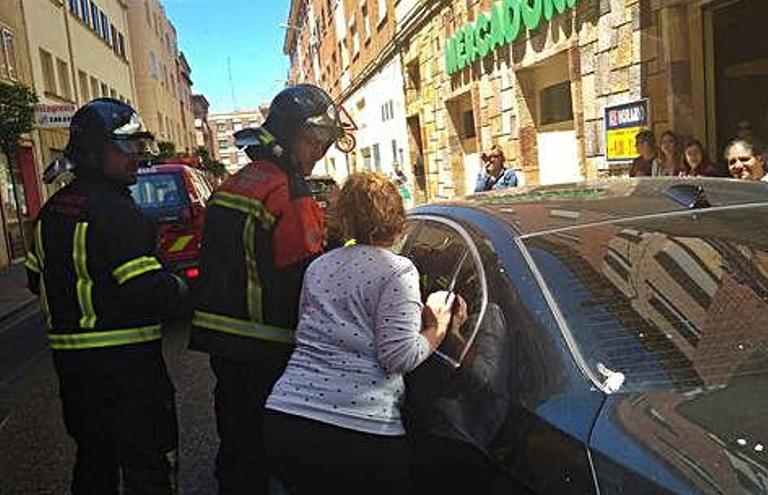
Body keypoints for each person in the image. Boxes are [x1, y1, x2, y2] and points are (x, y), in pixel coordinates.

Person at [188, 84, 347, 494]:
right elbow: (310, 280)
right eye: (314, 141)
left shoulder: (232, 185)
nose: (318, 153)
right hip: (269, 349)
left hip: (224, 346)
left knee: (237, 442)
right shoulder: (289, 193)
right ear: (288, 134)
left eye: (324, 144)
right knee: (271, 450)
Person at [263, 172, 465, 495]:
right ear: (397, 218)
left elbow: (309, 333)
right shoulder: (397, 270)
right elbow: (398, 355)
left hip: (288, 419)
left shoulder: (319, 266)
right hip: (361, 433)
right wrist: (437, 326)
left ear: (344, 218)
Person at [24, 98, 188, 494]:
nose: (137, 157)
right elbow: (146, 292)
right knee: (149, 464)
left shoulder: (51, 212)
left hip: (73, 369)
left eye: (138, 147)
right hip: (128, 368)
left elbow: (34, 279)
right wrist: (183, 288)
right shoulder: (118, 212)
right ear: (95, 153)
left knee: (94, 461)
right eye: (126, 148)